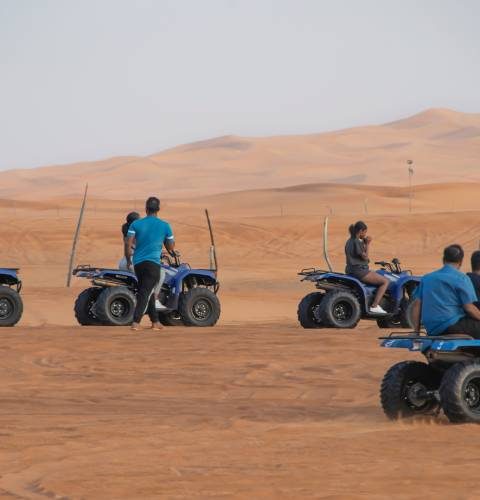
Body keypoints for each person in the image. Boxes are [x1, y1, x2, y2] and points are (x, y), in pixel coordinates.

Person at [125, 197, 175, 331]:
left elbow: (128, 243)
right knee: (145, 292)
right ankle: (136, 322)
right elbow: (170, 247)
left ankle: (155, 321)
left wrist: (128, 260)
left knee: (149, 290)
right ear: (158, 209)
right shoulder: (165, 225)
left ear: (146, 209)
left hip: (138, 263)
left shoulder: (135, 224)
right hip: (153, 264)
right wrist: (167, 241)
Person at [411, 244, 480, 338]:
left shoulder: (427, 278)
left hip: (432, 329)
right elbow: (469, 308)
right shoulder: (462, 278)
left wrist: (416, 331)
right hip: (453, 325)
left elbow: (416, 305)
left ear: (443, 260)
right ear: (461, 262)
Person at [345, 220, 389, 315]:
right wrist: (368, 244)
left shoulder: (350, 241)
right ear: (361, 231)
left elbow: (359, 254)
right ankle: (374, 306)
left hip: (351, 270)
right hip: (359, 271)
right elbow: (365, 257)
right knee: (385, 281)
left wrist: (364, 243)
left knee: (374, 274)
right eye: (365, 232)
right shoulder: (356, 241)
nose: (365, 235)